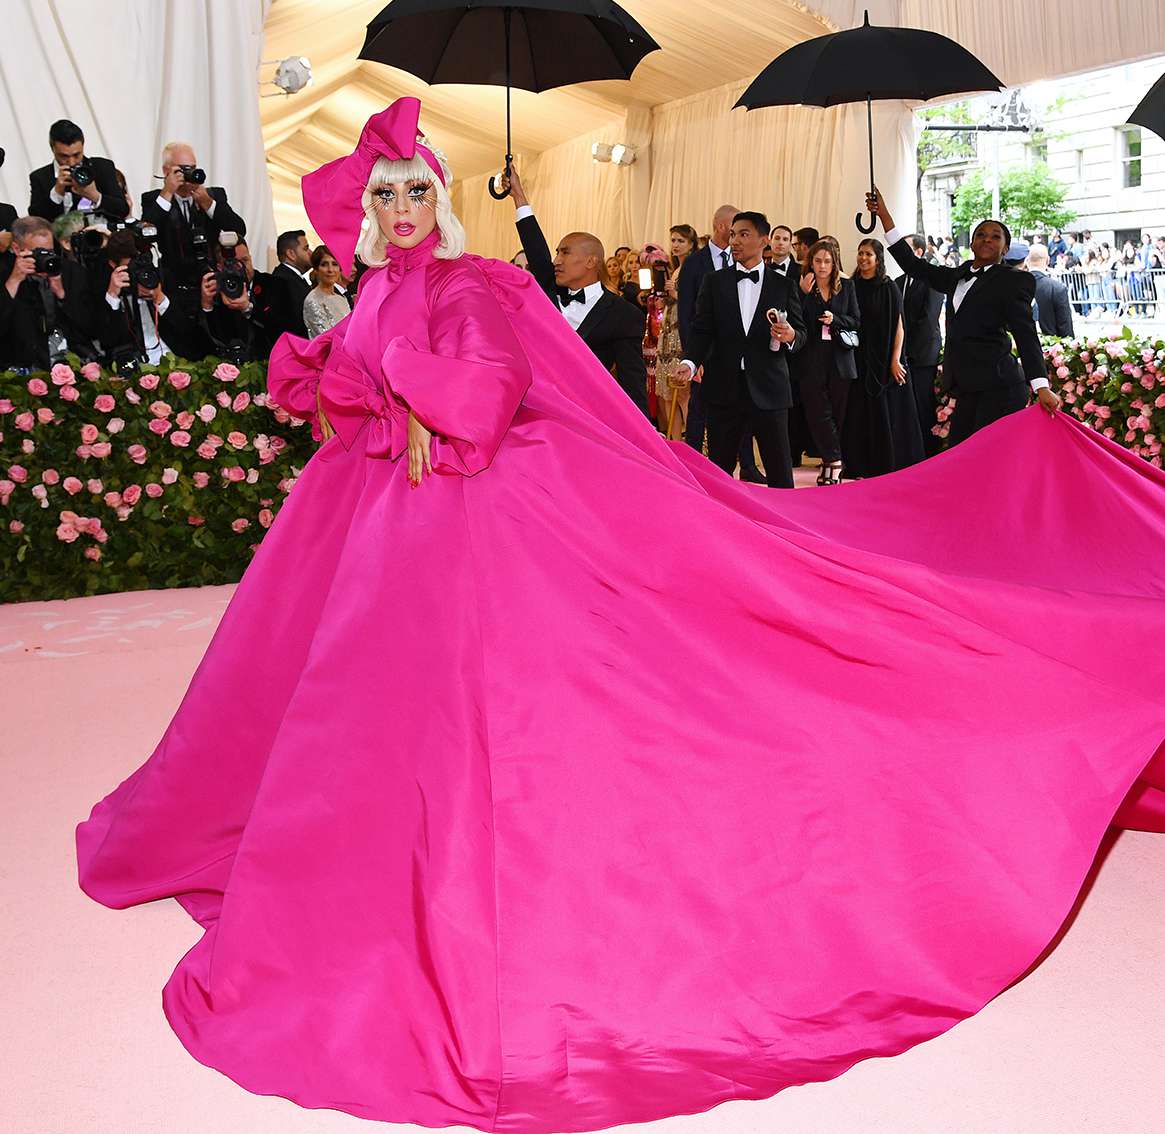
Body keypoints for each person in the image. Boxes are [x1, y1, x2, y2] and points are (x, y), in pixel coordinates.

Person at [75, 96, 1165, 1134]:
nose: (400, 210)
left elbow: (487, 392)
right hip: (366, 523)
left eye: (415, 193)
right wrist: (356, 381)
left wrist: (405, 376)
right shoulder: (368, 291)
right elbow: (342, 387)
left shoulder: (468, 287)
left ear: (438, 202)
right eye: (386, 197)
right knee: (333, 713)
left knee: (498, 724)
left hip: (457, 523)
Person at [868, 189, 1059, 446]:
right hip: (968, 385)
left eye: (995, 236)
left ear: (1005, 248)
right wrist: (885, 216)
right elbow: (914, 265)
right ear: (971, 243)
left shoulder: (1014, 280)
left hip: (1000, 385)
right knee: (962, 453)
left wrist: (1041, 385)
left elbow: (1025, 333)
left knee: (985, 460)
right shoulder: (957, 275)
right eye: (981, 234)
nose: (986, 240)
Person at [505, 164, 649, 417]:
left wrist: (644, 435)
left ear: (591, 261)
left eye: (565, 252)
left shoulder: (624, 315)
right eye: (557, 252)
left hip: (588, 418)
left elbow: (631, 381)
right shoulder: (548, 292)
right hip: (537, 412)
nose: (556, 260)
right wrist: (519, 196)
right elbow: (536, 247)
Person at [678, 210, 805, 488]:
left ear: (764, 241)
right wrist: (689, 363)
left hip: (770, 389)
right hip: (724, 388)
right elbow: (701, 330)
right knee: (719, 475)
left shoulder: (784, 285)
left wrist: (791, 334)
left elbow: (802, 333)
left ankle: (781, 529)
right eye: (733, 234)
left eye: (744, 235)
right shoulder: (715, 281)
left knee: (780, 474)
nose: (734, 241)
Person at [844, 237, 924, 478]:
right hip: (857, 355)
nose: (863, 258)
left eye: (868, 254)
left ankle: (884, 465)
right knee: (858, 412)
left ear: (878, 259)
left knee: (885, 412)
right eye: (860, 253)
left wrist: (895, 360)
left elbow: (899, 325)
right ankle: (858, 464)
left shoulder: (889, 287)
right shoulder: (851, 285)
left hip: (883, 355)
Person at [795, 239, 861, 485]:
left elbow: (856, 321)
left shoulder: (847, 286)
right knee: (817, 412)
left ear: (834, 264)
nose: (822, 266)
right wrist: (801, 294)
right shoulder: (802, 287)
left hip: (840, 359)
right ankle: (834, 460)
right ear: (810, 262)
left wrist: (836, 319)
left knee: (836, 414)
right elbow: (794, 320)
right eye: (818, 260)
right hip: (811, 358)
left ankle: (828, 462)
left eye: (827, 261)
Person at [0, 215, 99, 370]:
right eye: (38, 252)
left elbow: (92, 328)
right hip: (22, 367)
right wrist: (14, 282)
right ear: (16, 249)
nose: (45, 258)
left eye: (50, 251)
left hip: (74, 361)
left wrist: (61, 294)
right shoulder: (5, 274)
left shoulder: (71, 272)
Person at [100, 228, 207, 366]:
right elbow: (107, 342)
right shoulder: (107, 288)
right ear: (113, 265)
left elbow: (192, 334)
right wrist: (113, 297)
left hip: (175, 362)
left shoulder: (164, 277)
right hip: (132, 367)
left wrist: (160, 300)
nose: (138, 271)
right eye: (131, 267)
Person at [140, 142, 247, 280]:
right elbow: (146, 233)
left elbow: (239, 229)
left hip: (211, 278)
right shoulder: (155, 199)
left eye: (193, 168)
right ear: (166, 171)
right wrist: (167, 193)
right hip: (174, 283)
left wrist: (208, 204)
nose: (190, 173)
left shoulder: (214, 195)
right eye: (183, 169)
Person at [28, 119, 129, 224]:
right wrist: (56, 194)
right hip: (61, 239)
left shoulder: (102, 167)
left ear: (83, 145)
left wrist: (95, 196)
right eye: (64, 156)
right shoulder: (40, 177)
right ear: (52, 148)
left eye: (77, 155)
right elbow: (36, 222)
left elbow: (123, 210)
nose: (71, 162)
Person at [898, 234, 945, 456]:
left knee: (923, 405)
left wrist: (909, 353)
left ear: (918, 252)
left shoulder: (931, 280)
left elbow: (928, 320)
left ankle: (927, 453)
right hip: (902, 356)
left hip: (923, 354)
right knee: (906, 407)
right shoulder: (898, 281)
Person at [653, 223, 698, 439]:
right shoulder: (675, 267)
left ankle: (694, 444)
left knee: (683, 395)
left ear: (691, 244)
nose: (676, 245)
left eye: (681, 240)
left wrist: (676, 295)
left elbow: (697, 303)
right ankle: (676, 446)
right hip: (668, 331)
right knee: (668, 395)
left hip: (681, 336)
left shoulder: (693, 267)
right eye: (673, 240)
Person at [266, 229, 314, 340]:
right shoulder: (282, 280)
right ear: (291, 254)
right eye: (306, 248)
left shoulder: (293, 279)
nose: (311, 253)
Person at [302, 244, 352, 338]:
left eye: (335, 264)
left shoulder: (342, 298)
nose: (330, 270)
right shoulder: (313, 300)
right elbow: (324, 338)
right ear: (316, 269)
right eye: (324, 264)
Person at [1026, 243, 1074, 337]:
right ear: (1047, 260)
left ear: (1027, 261)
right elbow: (1065, 326)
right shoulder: (1057, 288)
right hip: (1052, 348)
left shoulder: (1016, 287)